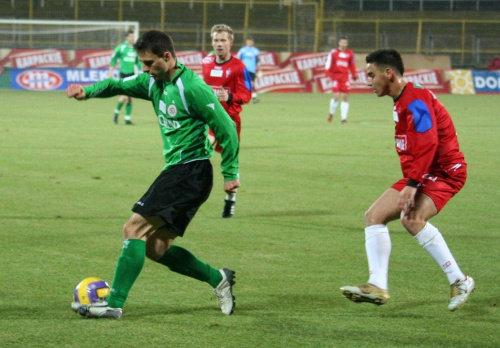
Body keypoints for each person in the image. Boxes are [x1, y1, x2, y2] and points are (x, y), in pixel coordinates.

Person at [68, 30, 241, 319]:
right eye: (142, 64)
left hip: (191, 170)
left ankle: (114, 303)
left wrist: (230, 172)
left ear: (168, 57)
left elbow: (225, 126)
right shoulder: (152, 81)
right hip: (181, 172)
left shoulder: (193, 87)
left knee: (132, 229)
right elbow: (115, 83)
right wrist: (89, 92)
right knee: (156, 248)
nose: (145, 69)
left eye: (149, 63)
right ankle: (218, 278)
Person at [340, 49, 475, 312]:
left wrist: (412, 185)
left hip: (446, 172)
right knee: (373, 215)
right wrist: (413, 180)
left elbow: (428, 141)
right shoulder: (403, 99)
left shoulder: (415, 100)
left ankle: (460, 280)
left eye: (371, 74)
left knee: (412, 219)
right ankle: (377, 284)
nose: (368, 81)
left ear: (388, 73)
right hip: (423, 172)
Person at [202, 24, 252, 218]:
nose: (219, 44)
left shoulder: (239, 67)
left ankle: (230, 202)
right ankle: (191, 192)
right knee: (201, 151)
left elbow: (247, 94)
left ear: (230, 42)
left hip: (229, 120)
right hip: (209, 119)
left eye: (223, 40)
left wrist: (230, 96)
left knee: (230, 162)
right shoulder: (206, 61)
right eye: (216, 40)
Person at [109, 29, 142, 125]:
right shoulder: (121, 47)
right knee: (124, 96)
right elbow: (113, 58)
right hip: (123, 74)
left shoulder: (135, 49)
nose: (133, 38)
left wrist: (144, 69)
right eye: (131, 36)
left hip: (132, 74)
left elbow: (137, 62)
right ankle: (116, 113)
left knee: (130, 97)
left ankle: (127, 119)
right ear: (127, 37)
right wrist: (110, 71)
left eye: (133, 36)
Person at [324, 36, 357, 124]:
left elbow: (352, 65)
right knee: (336, 96)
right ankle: (331, 113)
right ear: (339, 43)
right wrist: (327, 75)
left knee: (345, 97)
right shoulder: (333, 53)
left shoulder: (350, 53)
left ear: (347, 44)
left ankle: (343, 118)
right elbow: (328, 64)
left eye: (345, 43)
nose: (343, 44)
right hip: (336, 77)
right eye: (342, 42)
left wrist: (354, 75)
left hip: (345, 77)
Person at [237, 37, 260, 103]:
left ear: (253, 43)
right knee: (242, 84)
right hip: (243, 69)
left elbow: (257, 61)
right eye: (248, 42)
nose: (249, 43)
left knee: (252, 84)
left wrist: (259, 70)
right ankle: (241, 98)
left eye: (250, 42)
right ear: (246, 43)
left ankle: (254, 97)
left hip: (252, 69)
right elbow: (238, 59)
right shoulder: (242, 50)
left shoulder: (255, 51)